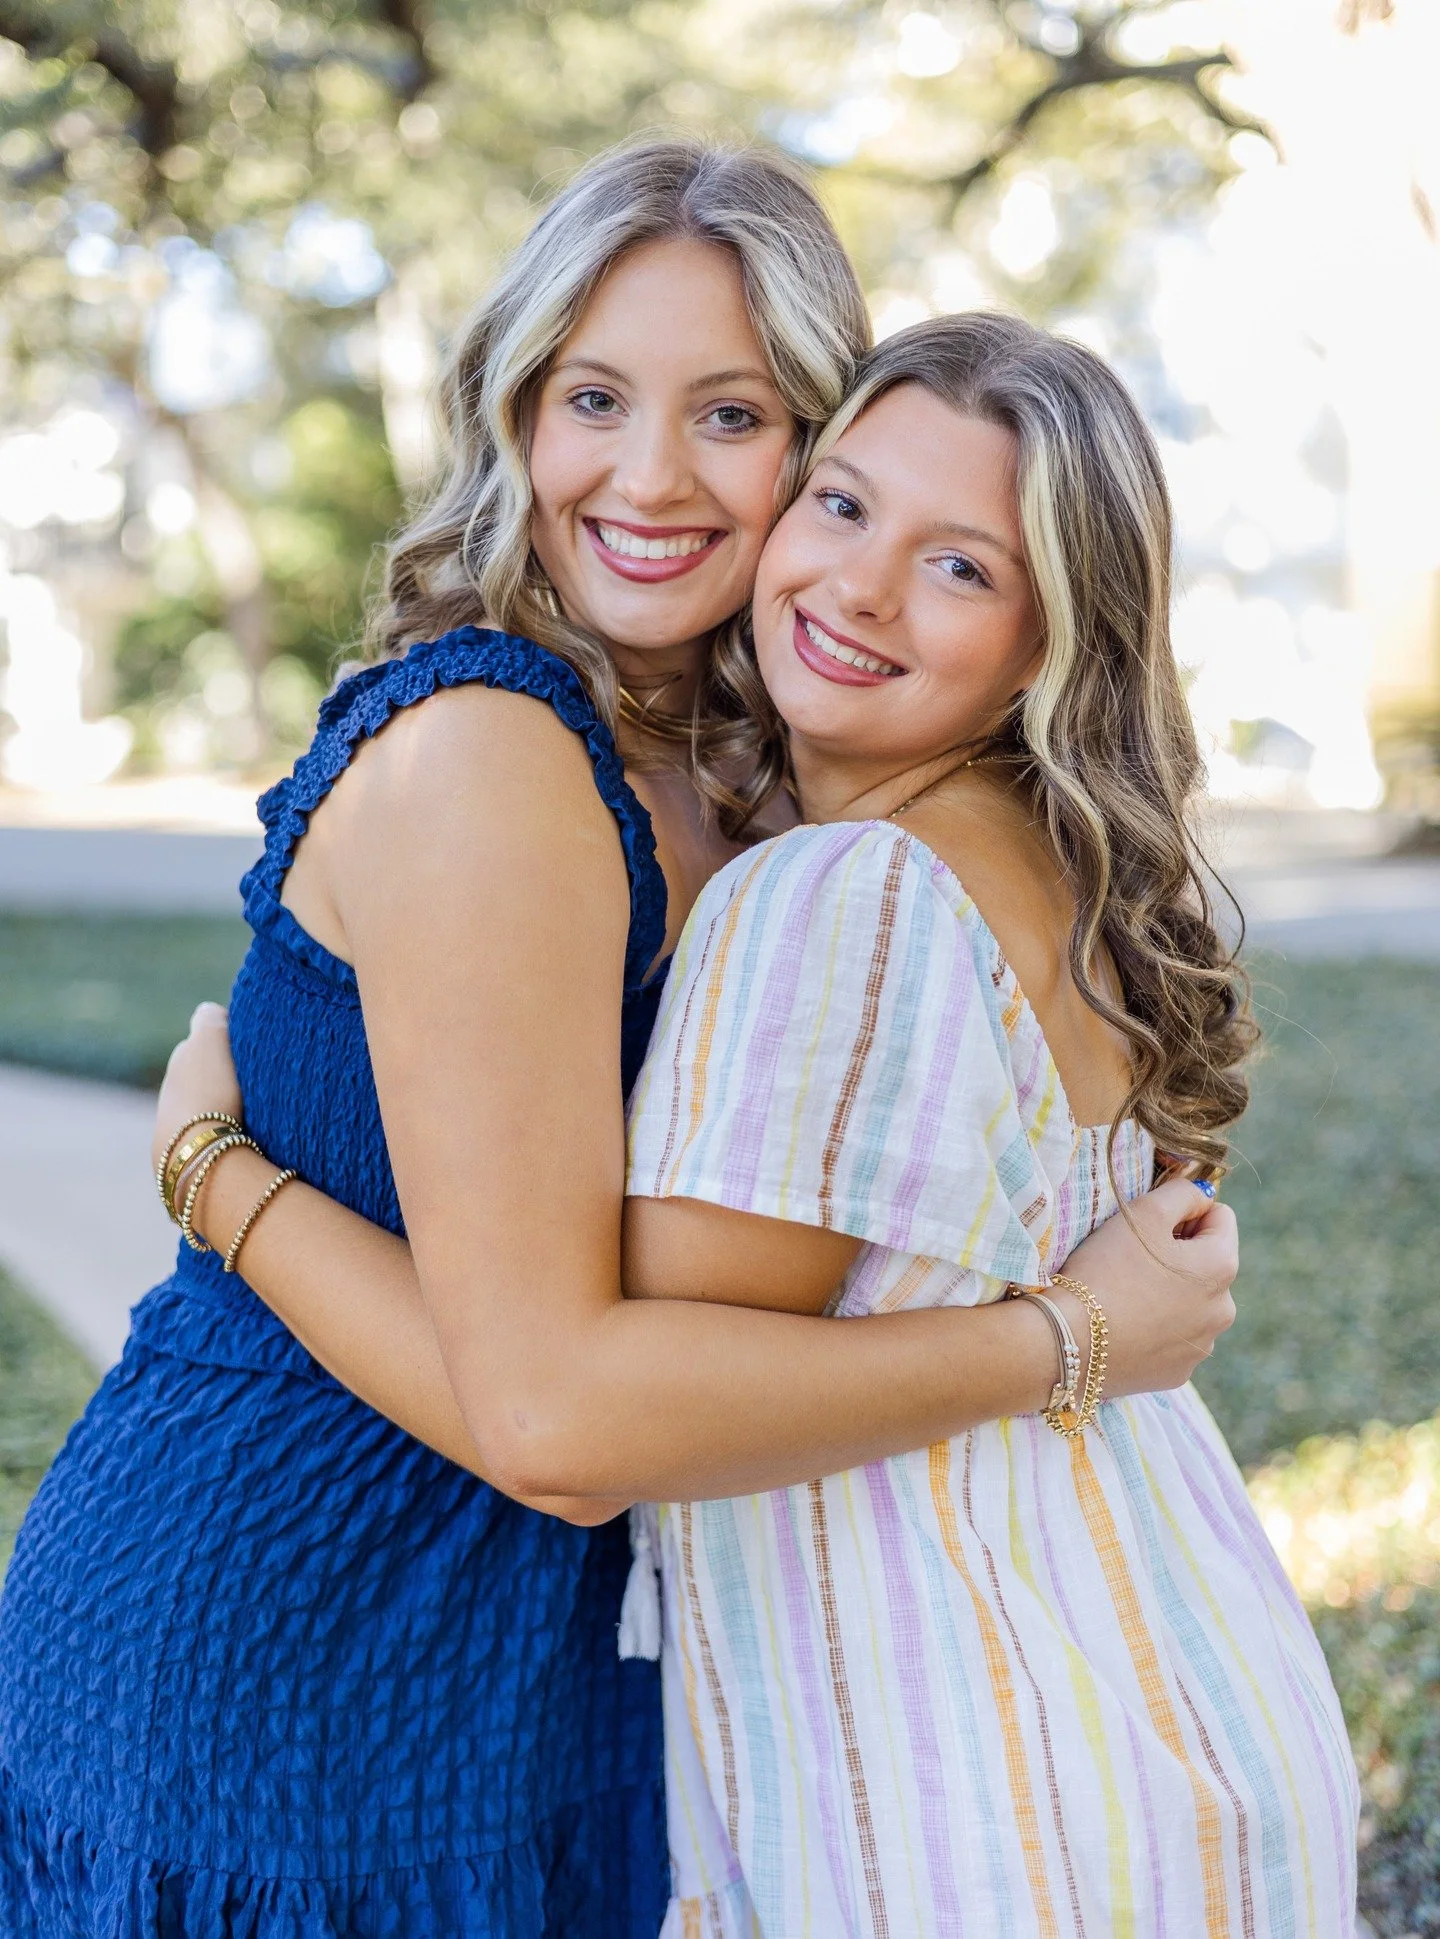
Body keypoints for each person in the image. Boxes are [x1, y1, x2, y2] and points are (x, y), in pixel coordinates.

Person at [4, 140, 1232, 1939]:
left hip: (562, 1653)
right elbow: (555, 1411)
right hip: (284, 1639)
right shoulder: (497, 752)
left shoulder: (758, 779)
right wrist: (217, 1180)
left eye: (731, 416)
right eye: (592, 397)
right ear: (513, 414)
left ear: (818, 446)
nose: (645, 477)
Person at [620, 315, 1359, 1934]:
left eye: (961, 568)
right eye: (841, 505)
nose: (860, 588)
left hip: (967, 1783)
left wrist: (223, 1172)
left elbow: (630, 1412)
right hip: (1172, 1705)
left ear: (1048, 640)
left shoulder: (836, 896)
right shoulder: (1054, 860)